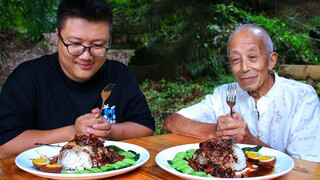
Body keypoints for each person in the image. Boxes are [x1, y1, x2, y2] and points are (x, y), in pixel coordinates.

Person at [0, 0, 155, 158]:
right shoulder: (28, 78)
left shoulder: (119, 75)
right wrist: (74, 132)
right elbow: (4, 146)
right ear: (58, 36)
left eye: (97, 45)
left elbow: (146, 128)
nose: (86, 56)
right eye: (75, 44)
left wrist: (108, 130)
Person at [163, 24, 320, 162]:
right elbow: (171, 122)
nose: (244, 68)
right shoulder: (224, 93)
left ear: (271, 61)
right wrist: (217, 131)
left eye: (252, 57)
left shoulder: (302, 97)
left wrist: (251, 141)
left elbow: (307, 167)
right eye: (235, 60)